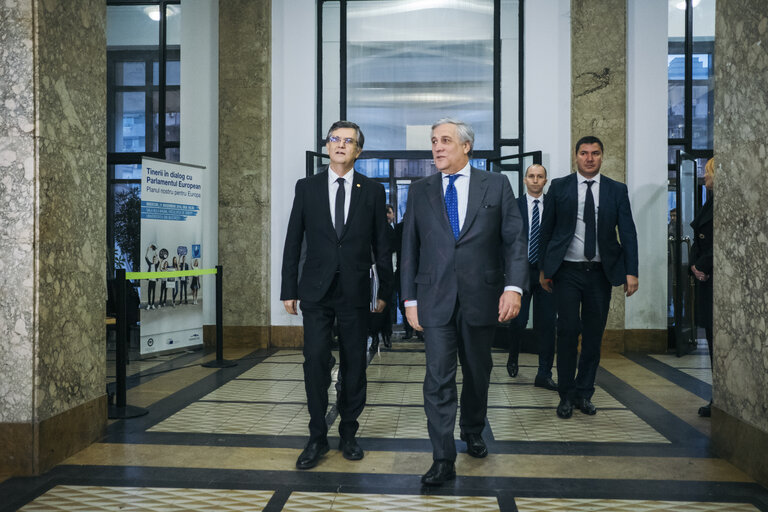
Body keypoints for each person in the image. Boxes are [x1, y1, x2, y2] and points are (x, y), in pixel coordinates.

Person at [401, 118, 528, 486]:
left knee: (477, 372)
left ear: (466, 146)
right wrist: (409, 299)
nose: (437, 147)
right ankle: (442, 457)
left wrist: (514, 288)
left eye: (445, 141)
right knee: (438, 378)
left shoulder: (497, 184)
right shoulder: (421, 189)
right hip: (434, 298)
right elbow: (409, 247)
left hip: (482, 297)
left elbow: (514, 241)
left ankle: (472, 428)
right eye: (433, 141)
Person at [281, 120, 393, 470]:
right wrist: (289, 288)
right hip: (315, 290)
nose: (341, 145)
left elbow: (382, 247)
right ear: (327, 146)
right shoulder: (307, 187)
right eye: (335, 139)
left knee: (355, 364)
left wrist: (384, 292)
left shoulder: (372, 191)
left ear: (358, 150)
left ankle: (348, 432)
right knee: (315, 360)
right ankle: (316, 436)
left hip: (356, 292)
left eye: (349, 141)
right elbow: (293, 240)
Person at [538, 136, 639, 419]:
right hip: (567, 272)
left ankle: (585, 393)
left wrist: (632, 271)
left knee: (594, 337)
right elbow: (547, 231)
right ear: (576, 156)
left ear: (602, 156)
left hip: (600, 275)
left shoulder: (616, 190)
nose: (589, 158)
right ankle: (566, 395)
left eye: (595, 153)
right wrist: (544, 269)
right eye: (584, 153)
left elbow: (628, 232)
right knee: (568, 331)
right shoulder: (559, 187)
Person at [506, 164, 557, 391]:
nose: (535, 180)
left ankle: (544, 373)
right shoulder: (514, 206)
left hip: (546, 273)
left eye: (540, 177)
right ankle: (513, 355)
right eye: (531, 176)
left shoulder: (554, 207)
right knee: (518, 320)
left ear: (546, 181)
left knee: (547, 324)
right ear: (525, 180)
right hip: (521, 271)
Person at [691, 158, 714, 417]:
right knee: (711, 338)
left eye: (706, 173)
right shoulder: (709, 201)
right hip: (705, 275)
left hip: (713, 276)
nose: (704, 178)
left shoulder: (723, 202)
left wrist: (702, 265)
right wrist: (695, 266)